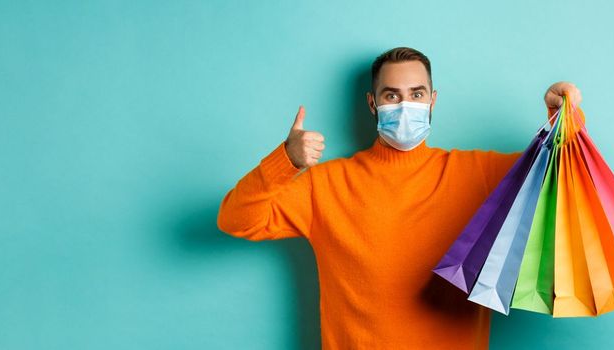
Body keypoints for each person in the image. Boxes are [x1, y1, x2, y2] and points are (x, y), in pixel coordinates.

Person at [217, 47, 582, 349]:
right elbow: (235, 219)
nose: (405, 105)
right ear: (373, 103)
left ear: (432, 100)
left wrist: (562, 118)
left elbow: (562, 177)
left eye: (416, 94)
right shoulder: (324, 184)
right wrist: (286, 160)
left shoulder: (478, 174)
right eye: (392, 95)